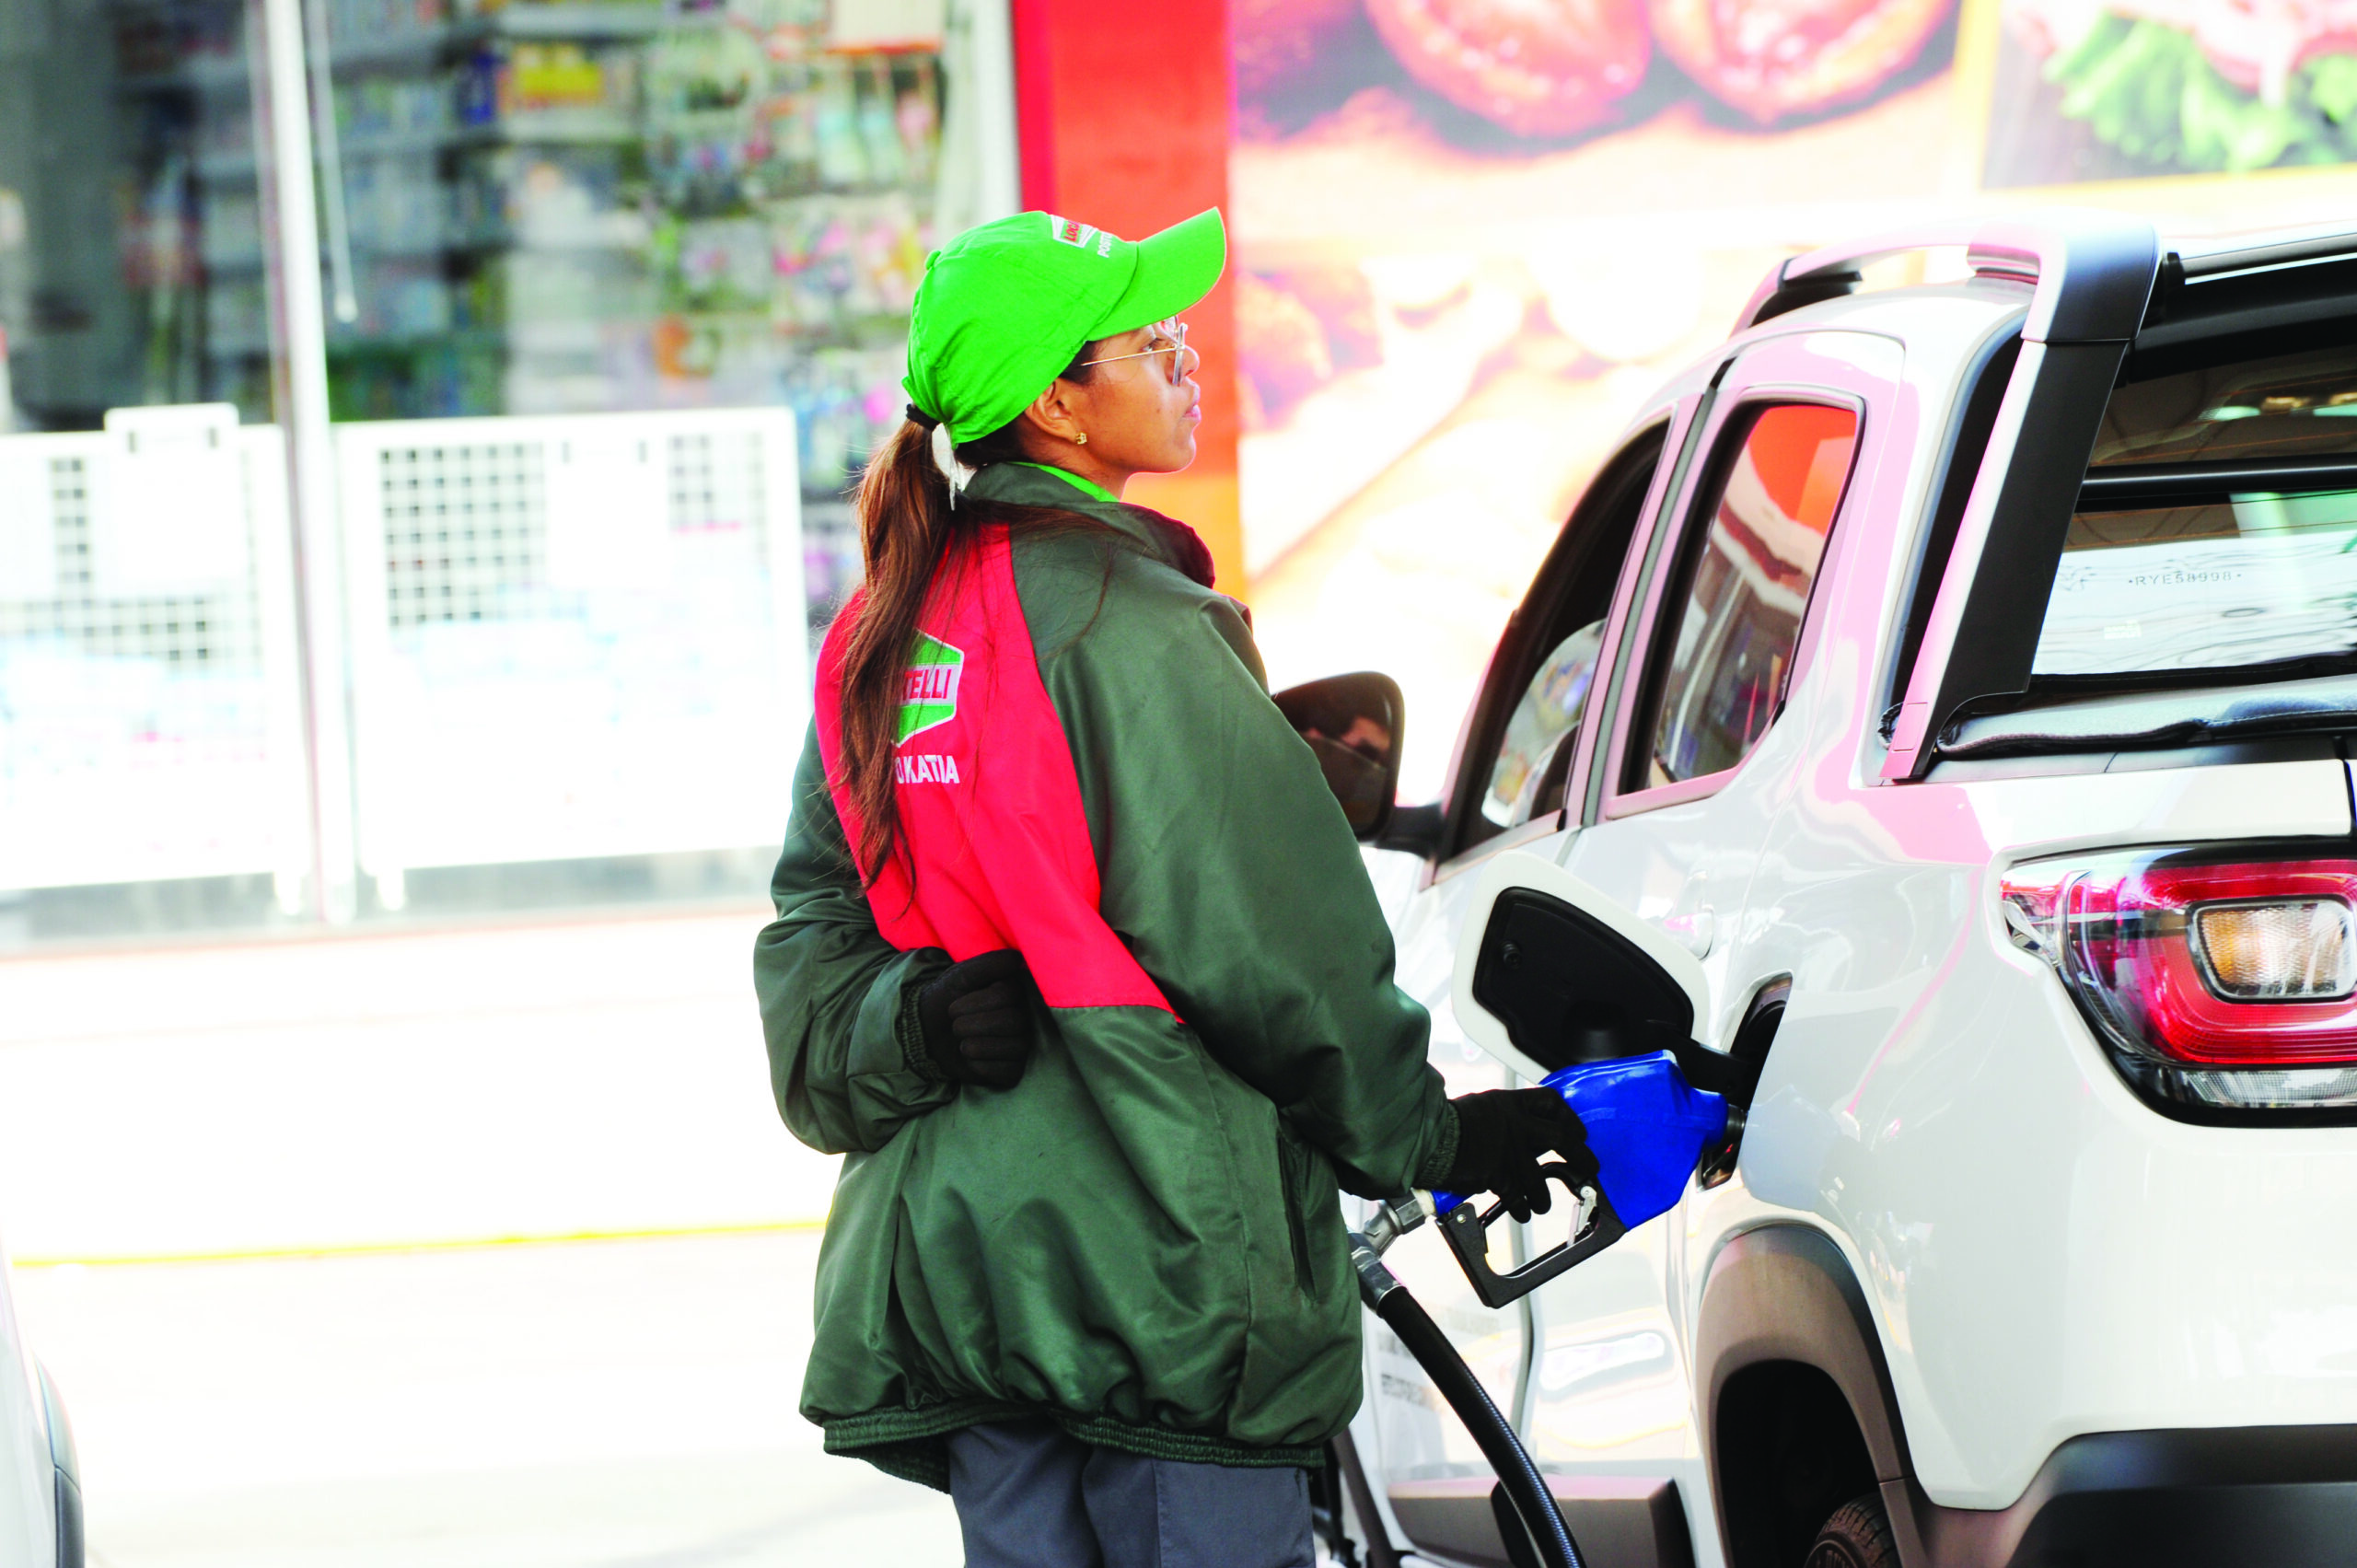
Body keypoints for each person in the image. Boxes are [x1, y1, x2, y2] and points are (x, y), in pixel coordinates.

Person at [754, 207, 1596, 1568]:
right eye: (1150, 341)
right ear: (1057, 403)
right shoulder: (1139, 631)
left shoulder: (880, 633)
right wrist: (1437, 1141)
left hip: (969, 1279)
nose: (1186, 357)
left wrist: (908, 1026)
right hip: (1163, 1280)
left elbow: (811, 950)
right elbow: (1282, 956)